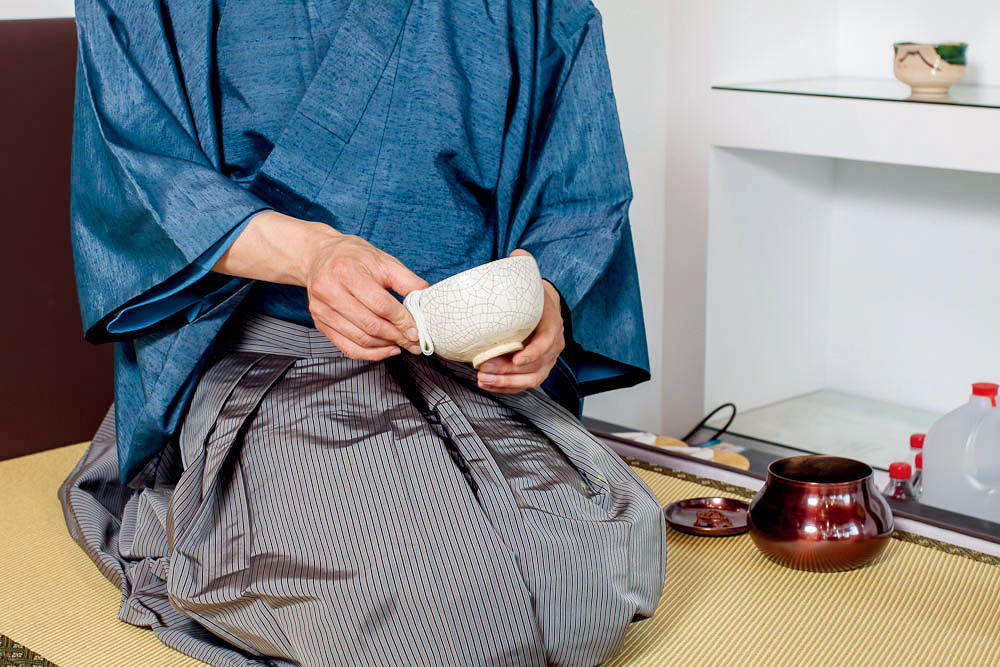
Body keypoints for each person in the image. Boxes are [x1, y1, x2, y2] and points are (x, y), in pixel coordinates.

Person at [60, 0, 666, 665]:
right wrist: (313, 256)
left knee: (593, 575)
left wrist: (544, 296)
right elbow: (137, 164)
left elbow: (579, 188)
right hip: (277, 356)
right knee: (446, 624)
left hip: (459, 362)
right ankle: (187, 509)